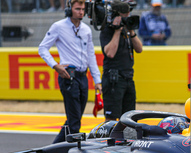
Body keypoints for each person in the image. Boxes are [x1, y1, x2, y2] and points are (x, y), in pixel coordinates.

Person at [39, 0, 102, 143]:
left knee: (75, 118)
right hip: (68, 76)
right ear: (69, 10)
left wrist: (97, 80)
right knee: (74, 122)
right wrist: (55, 65)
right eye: (77, 8)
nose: (81, 12)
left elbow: (91, 55)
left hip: (83, 77)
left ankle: (52, 152)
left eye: (83, 9)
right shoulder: (58, 27)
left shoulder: (86, 29)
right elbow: (42, 48)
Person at [100, 1, 143, 121]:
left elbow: (139, 49)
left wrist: (131, 31)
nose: (127, 18)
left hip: (128, 77)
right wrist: (117, 31)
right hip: (114, 78)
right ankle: (111, 139)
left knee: (130, 118)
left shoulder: (128, 30)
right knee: (112, 119)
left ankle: (127, 139)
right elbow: (110, 53)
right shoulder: (107, 30)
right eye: (124, 15)